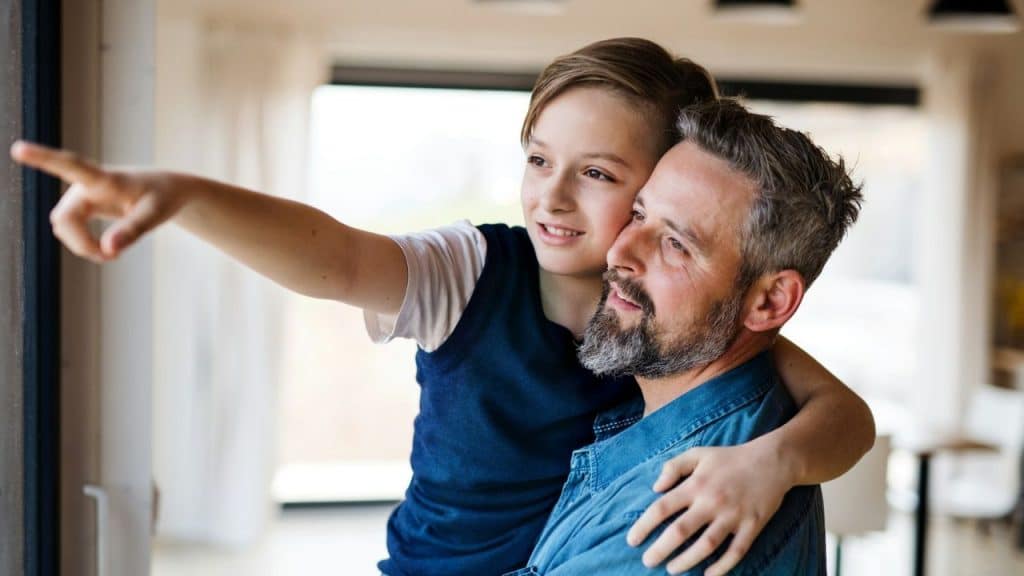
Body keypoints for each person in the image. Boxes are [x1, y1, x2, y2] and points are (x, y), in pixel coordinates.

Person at [10, 38, 874, 576]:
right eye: (538, 160)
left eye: (602, 176)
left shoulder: (672, 333)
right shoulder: (477, 268)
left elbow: (842, 411)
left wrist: (778, 462)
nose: (554, 198)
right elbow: (334, 256)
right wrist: (183, 195)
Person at [512, 98, 863, 575]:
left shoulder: (679, 517)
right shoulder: (747, 419)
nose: (619, 253)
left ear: (769, 302)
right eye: (638, 214)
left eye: (676, 244)